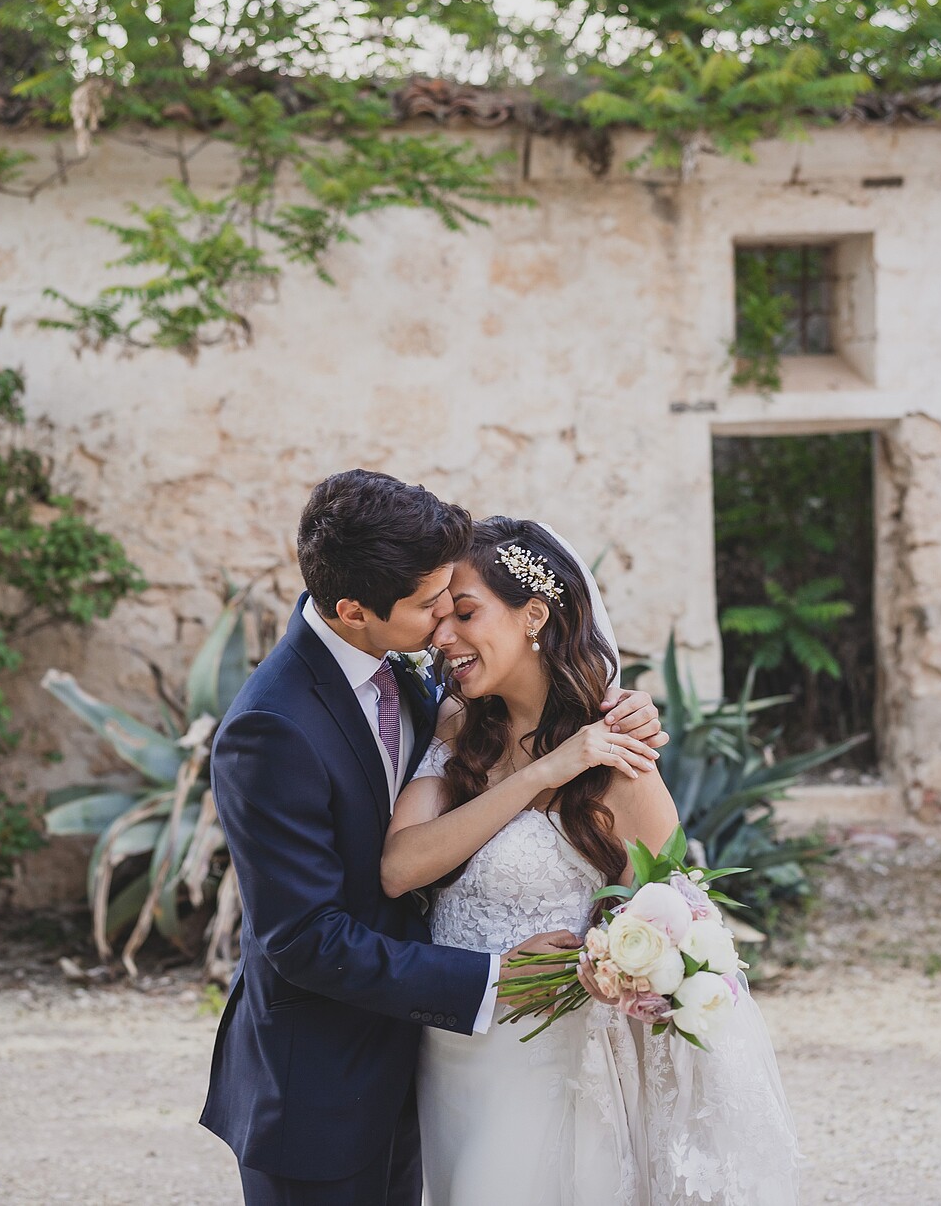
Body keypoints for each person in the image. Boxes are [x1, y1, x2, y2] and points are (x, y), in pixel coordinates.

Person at [201, 471, 670, 1206]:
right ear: (353, 611)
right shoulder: (271, 727)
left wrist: (616, 713)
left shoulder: (425, 687)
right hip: (321, 1083)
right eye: (430, 608)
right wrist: (489, 981)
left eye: (457, 606)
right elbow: (303, 939)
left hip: (423, 1064)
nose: (442, 632)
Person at [387, 516, 802, 1206]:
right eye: (440, 618)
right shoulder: (456, 726)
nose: (442, 637)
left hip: (553, 1061)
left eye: (465, 613)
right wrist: (539, 772)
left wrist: (610, 961)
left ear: (535, 616)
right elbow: (401, 867)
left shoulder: (622, 761)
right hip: (450, 1050)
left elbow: (671, 913)